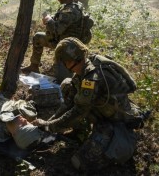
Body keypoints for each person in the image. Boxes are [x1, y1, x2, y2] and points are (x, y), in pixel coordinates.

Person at [33, 37, 146, 172]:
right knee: (68, 85)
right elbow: (69, 103)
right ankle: (80, 132)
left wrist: (49, 127)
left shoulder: (91, 79)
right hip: (101, 111)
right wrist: (49, 122)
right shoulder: (85, 65)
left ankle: (120, 139)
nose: (63, 66)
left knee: (79, 163)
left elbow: (77, 112)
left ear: (69, 61)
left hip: (116, 123)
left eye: (63, 62)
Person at [21, 0, 92, 82]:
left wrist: (49, 21)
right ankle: (34, 66)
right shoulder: (71, 6)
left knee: (60, 80)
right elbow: (60, 22)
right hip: (61, 41)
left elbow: (57, 30)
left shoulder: (71, 10)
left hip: (68, 49)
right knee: (38, 37)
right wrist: (51, 19)